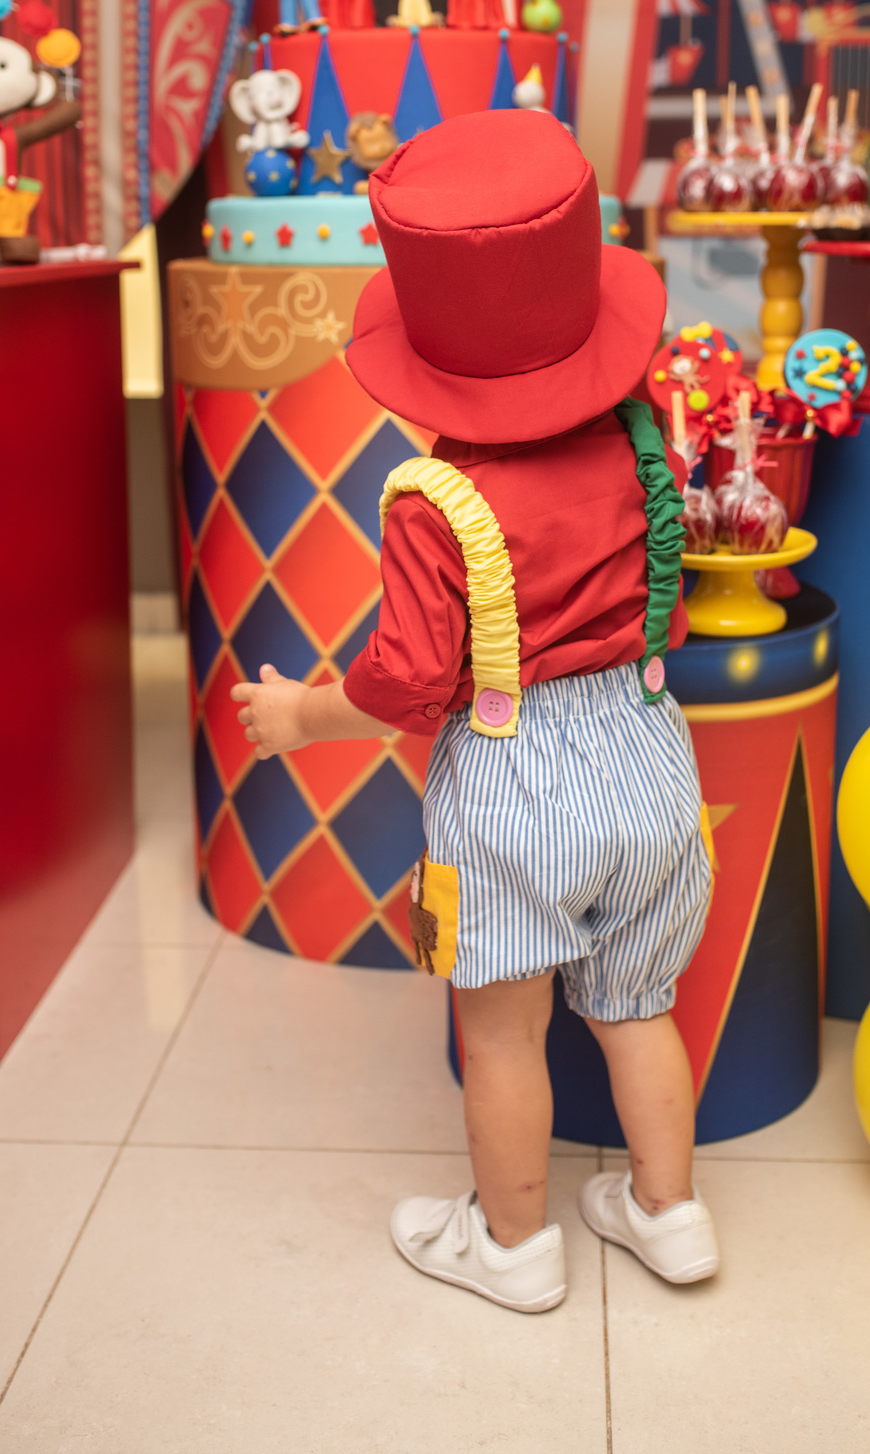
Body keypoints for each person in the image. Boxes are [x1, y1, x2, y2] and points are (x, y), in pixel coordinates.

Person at [231, 110, 718, 1314]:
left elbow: (408, 681)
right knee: (639, 1006)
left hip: (514, 782)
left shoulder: (435, 499)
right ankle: (671, 1215)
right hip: (651, 752)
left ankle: (511, 1247)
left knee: (501, 1031)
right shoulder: (640, 439)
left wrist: (304, 714)